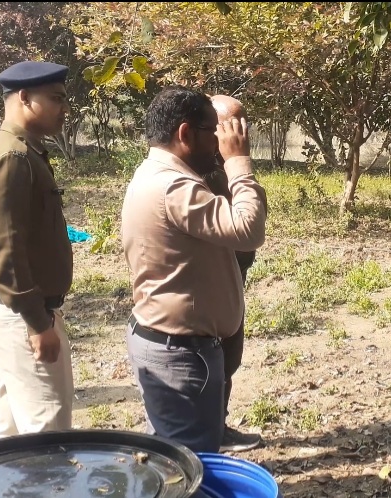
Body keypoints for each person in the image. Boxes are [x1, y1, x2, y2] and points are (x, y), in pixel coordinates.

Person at [121, 86, 267, 453]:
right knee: (190, 462)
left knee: (179, 456)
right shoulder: (174, 186)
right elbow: (249, 231)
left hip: (174, 344)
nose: (221, 143)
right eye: (215, 132)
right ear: (186, 133)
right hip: (180, 352)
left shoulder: (156, 173)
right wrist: (238, 162)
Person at [0, 61, 75, 439]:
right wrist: (37, 323)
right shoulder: (11, 157)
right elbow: (5, 252)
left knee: (13, 431)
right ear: (25, 97)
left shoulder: (20, 150)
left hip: (12, 310)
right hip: (20, 314)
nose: (64, 108)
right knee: (48, 431)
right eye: (56, 99)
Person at [202, 94, 264, 452]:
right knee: (210, 360)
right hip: (208, 281)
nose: (239, 132)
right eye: (229, 125)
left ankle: (219, 426)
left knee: (230, 356)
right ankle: (205, 435)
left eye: (242, 124)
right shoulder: (197, 170)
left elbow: (256, 212)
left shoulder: (230, 164)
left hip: (235, 275)